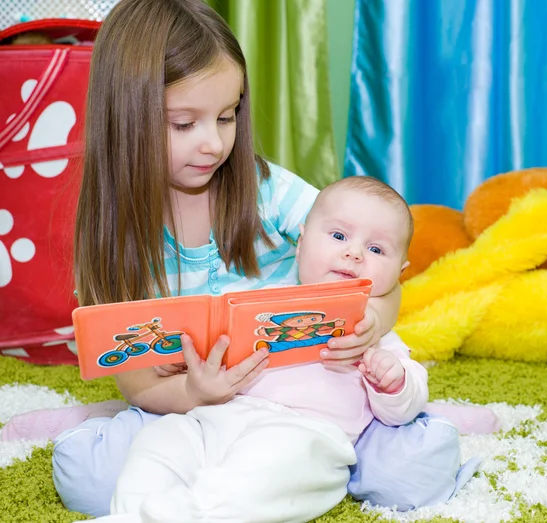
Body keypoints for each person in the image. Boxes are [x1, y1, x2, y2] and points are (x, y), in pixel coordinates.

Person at [6, 0, 401, 518]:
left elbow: (379, 278)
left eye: (226, 115)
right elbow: (141, 383)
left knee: (405, 475)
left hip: (310, 400)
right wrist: (194, 391)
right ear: (125, 118)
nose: (213, 143)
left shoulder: (264, 188)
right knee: (91, 482)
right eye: (183, 123)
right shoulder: (113, 235)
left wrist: (372, 322)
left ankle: (397, 427)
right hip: (189, 411)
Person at [86, 174, 429, 523]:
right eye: (339, 236)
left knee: (250, 485)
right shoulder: (263, 304)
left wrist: (393, 381)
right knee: (160, 443)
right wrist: (183, 364)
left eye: (376, 250)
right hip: (217, 416)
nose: (353, 253)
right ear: (301, 241)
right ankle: (130, 513)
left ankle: (174, 517)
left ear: (399, 273)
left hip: (303, 435)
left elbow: (403, 407)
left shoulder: (373, 333)